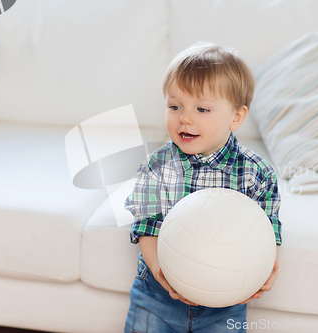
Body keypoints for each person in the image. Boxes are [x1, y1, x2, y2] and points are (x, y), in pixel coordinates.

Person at [123, 41, 282, 333]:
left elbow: (267, 230)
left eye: (202, 109)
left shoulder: (256, 174)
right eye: (175, 106)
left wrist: (266, 269)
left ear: (236, 116)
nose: (185, 117)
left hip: (225, 302)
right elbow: (146, 227)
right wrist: (163, 275)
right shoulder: (156, 168)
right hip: (157, 296)